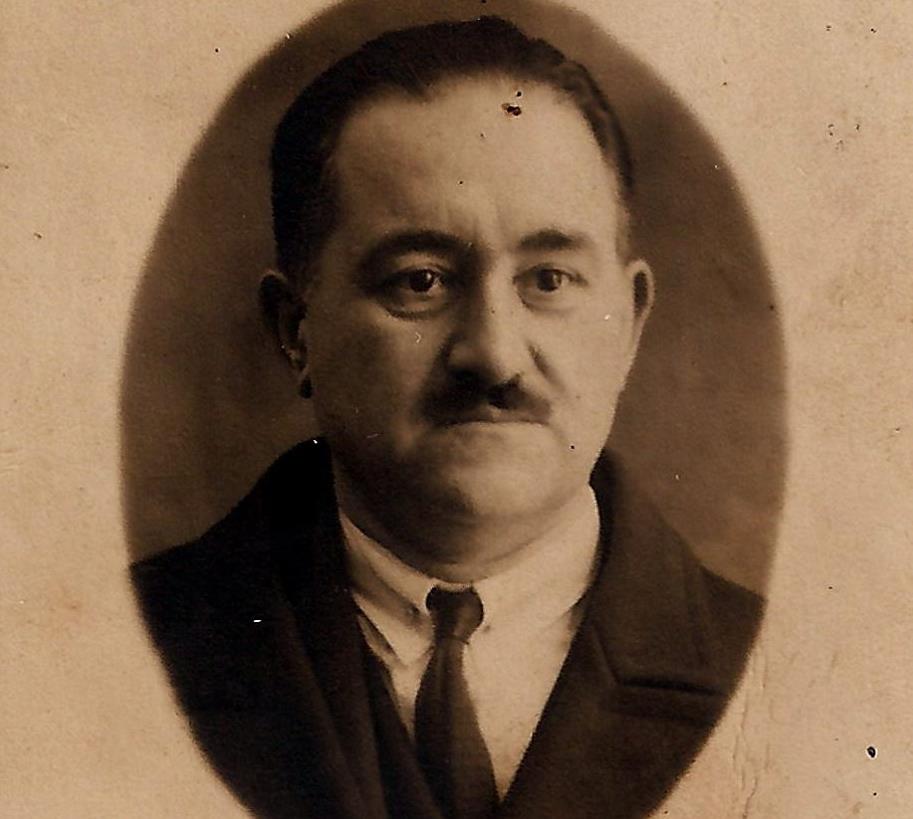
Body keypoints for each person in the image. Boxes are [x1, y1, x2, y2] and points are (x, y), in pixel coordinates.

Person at [132, 16, 762, 819]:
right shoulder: (118, 648)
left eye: (548, 279)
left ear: (629, 324)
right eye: (420, 280)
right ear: (296, 330)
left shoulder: (782, 668)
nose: (493, 356)